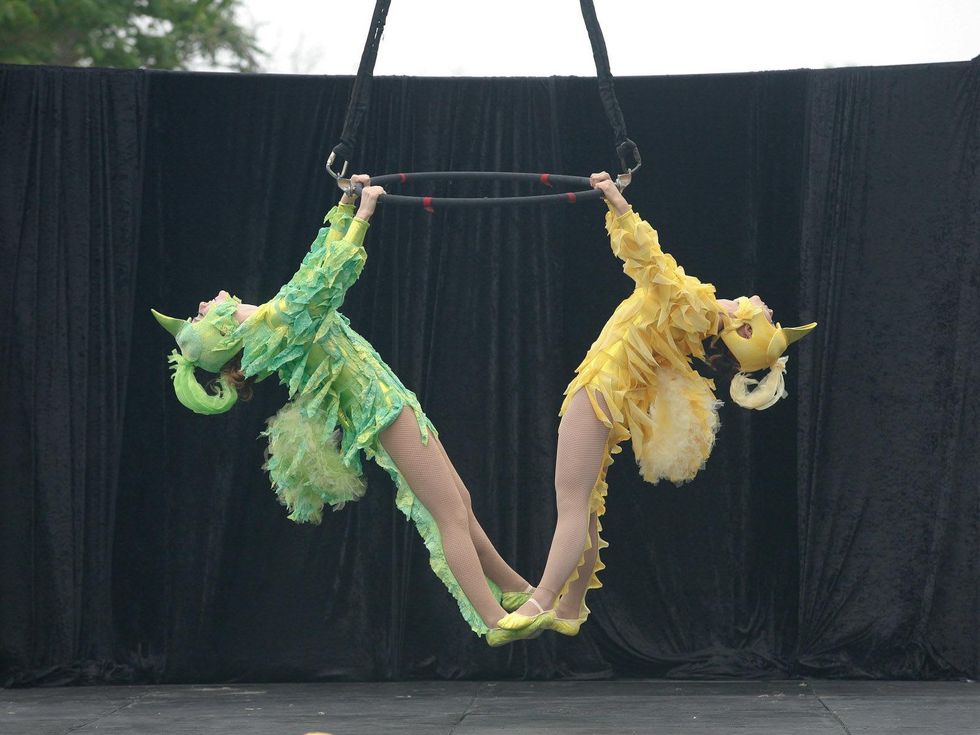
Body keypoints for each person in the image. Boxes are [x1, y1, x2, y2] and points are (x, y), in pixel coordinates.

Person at [152, 176, 546, 645]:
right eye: (197, 318)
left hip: (393, 401)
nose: (200, 304)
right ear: (219, 334)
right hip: (381, 412)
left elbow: (315, 267)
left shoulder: (272, 319)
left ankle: (519, 590)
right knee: (449, 516)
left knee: (459, 505)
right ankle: (493, 620)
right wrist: (362, 216)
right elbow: (324, 279)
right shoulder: (272, 325)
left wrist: (344, 204)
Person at [498, 171, 816, 637]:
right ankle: (569, 608)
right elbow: (655, 269)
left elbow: (650, 260)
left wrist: (616, 204)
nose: (764, 303)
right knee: (585, 504)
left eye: (767, 315)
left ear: (745, 329)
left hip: (601, 392)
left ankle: (542, 600)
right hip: (606, 394)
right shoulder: (695, 314)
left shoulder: (696, 307)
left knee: (572, 504)